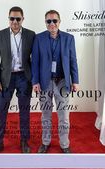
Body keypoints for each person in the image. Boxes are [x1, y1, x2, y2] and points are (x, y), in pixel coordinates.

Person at [0, 6, 35, 154]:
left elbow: (36, 58)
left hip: (24, 77)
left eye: (18, 19)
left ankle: (24, 141)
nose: (14, 21)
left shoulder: (30, 35)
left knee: (25, 112)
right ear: (8, 19)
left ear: (23, 19)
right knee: (0, 112)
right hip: (4, 79)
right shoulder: (0, 35)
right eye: (12, 18)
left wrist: (35, 79)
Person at [32, 9, 79, 154]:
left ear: (59, 21)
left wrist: (75, 80)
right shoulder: (38, 38)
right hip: (45, 83)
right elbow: (35, 62)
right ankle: (45, 142)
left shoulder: (69, 38)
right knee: (46, 114)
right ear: (45, 23)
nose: (52, 24)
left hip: (62, 83)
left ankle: (64, 144)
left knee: (64, 115)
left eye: (54, 21)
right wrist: (35, 81)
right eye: (48, 21)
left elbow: (73, 60)